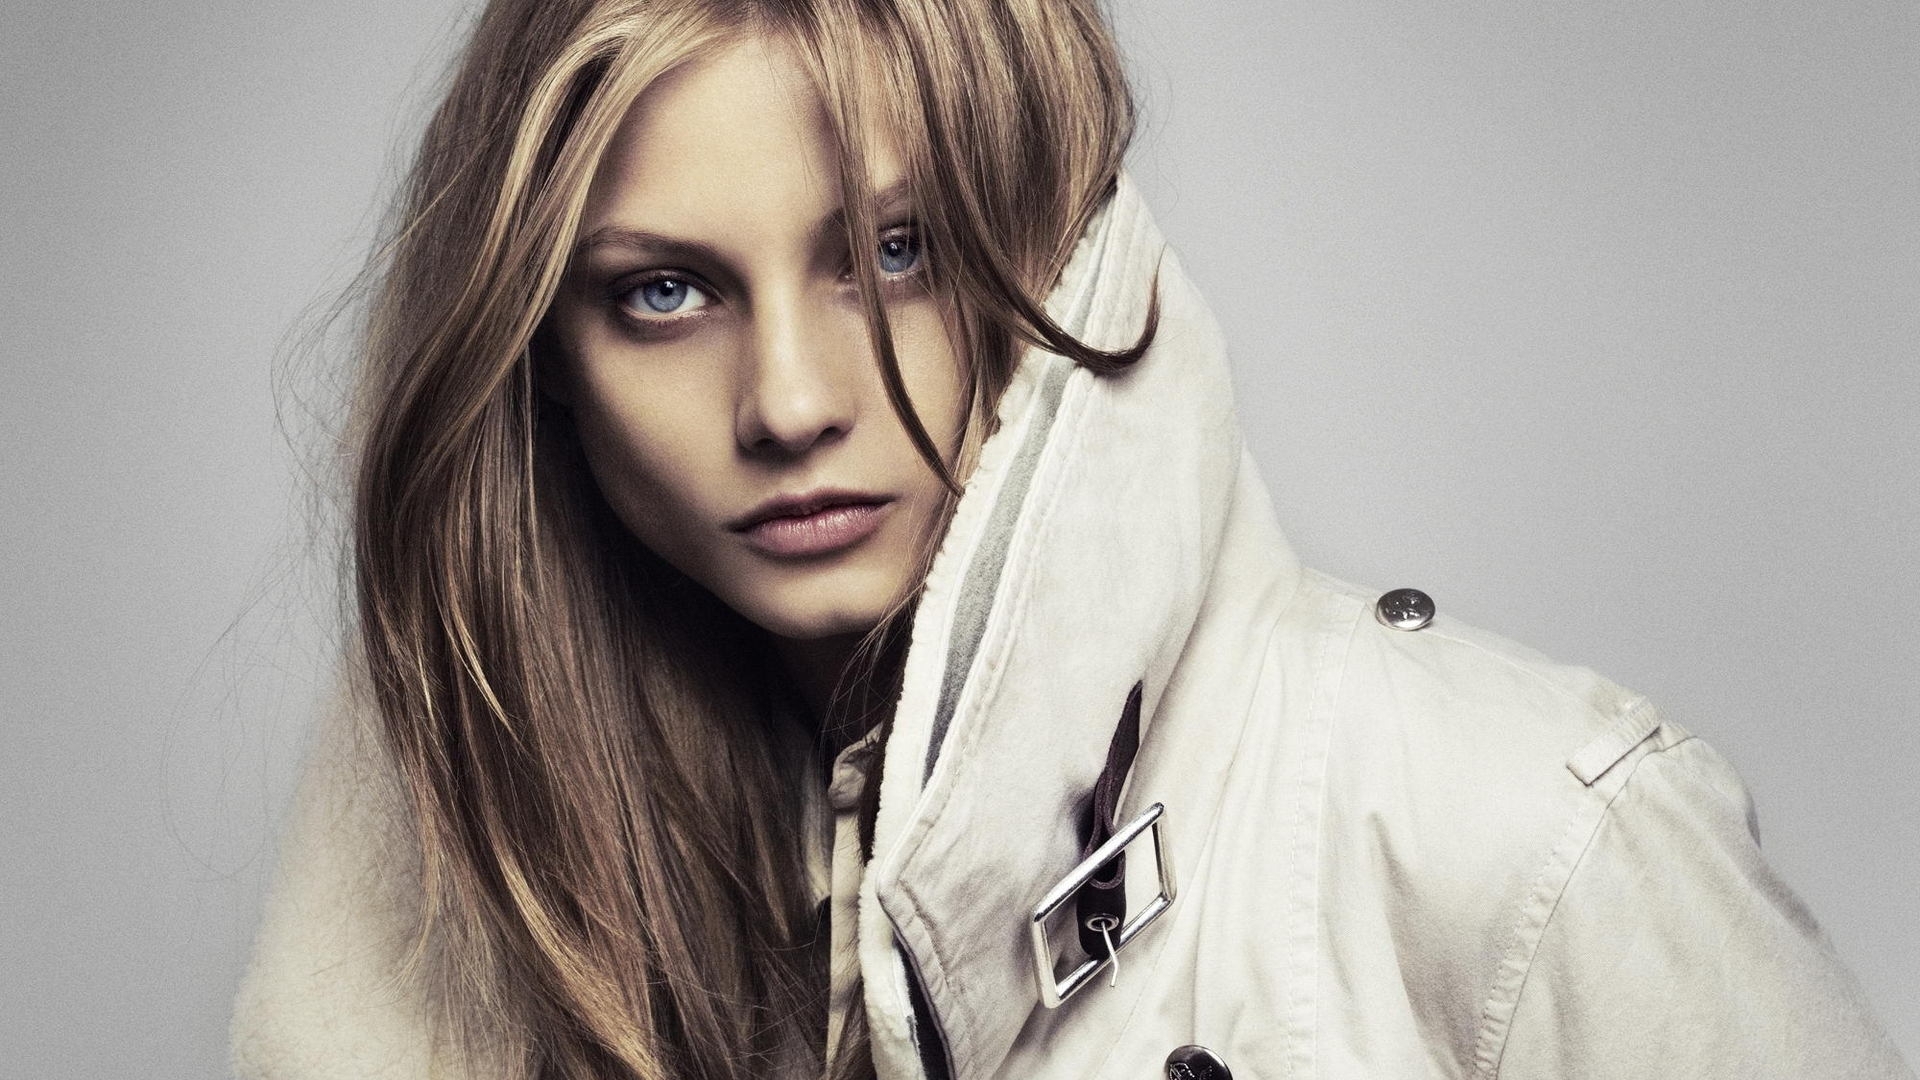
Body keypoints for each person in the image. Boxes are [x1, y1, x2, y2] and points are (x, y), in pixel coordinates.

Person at [230, 1, 1913, 1078]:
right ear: (541, 361)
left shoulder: (1535, 840)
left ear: (1059, 252)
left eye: (895, 253)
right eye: (664, 292)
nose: (793, 401)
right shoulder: (516, 881)